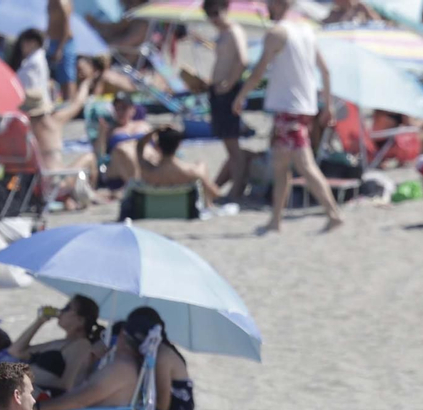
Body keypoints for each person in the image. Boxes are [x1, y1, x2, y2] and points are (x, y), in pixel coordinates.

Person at [233, 0, 343, 234]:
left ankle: (333, 214)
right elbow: (326, 70)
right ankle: (275, 221)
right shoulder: (305, 30)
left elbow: (258, 71)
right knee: (281, 167)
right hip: (303, 108)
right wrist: (328, 106)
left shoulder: (277, 33)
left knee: (304, 165)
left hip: (288, 109)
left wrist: (241, 96)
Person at [27, 306, 193, 410]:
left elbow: (80, 399)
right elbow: (78, 392)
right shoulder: (128, 365)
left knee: (17, 408)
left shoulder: (124, 367)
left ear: (121, 336)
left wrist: (38, 409)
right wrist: (90, 359)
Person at [23, 71, 102, 210]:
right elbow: (77, 103)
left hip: (36, 184)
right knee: (89, 157)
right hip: (57, 181)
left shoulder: (25, 127)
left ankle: (68, 199)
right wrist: (86, 83)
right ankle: (92, 192)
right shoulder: (53, 122)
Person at [204, 0, 249, 204]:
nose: (212, 18)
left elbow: (243, 60)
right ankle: (231, 188)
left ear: (225, 10)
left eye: (215, 12)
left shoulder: (234, 31)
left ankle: (237, 190)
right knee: (228, 144)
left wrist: (229, 84)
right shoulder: (223, 33)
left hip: (228, 92)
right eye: (209, 14)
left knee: (233, 146)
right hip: (219, 91)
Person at [121, 126, 226, 204]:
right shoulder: (192, 171)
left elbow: (139, 147)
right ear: (178, 146)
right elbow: (215, 194)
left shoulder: (148, 171)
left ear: (157, 146)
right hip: (183, 208)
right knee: (201, 164)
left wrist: (154, 130)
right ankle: (208, 204)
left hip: (156, 206)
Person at [47, 0, 77, 102]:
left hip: (64, 42)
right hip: (53, 41)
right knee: (55, 75)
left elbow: (66, 27)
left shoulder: (62, 2)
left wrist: (60, 48)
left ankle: (70, 103)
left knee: (67, 76)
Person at [10, 28, 50, 96]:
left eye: (24, 42)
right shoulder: (37, 59)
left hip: (32, 103)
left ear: (34, 43)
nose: (22, 46)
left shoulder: (33, 62)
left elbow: (22, 87)